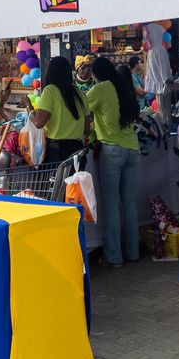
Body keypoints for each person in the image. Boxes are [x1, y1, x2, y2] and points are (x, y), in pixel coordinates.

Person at [88, 57, 142, 267]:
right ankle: (133, 251)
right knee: (128, 202)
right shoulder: (124, 87)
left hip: (111, 152)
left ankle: (114, 256)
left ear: (96, 74)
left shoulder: (101, 88)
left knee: (111, 205)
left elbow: (82, 105)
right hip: (132, 149)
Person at [30, 56, 87, 165]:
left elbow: (38, 123)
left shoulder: (50, 91)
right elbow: (86, 129)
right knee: (74, 182)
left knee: (57, 182)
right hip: (78, 150)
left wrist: (30, 110)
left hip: (57, 152)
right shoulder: (80, 94)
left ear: (50, 72)